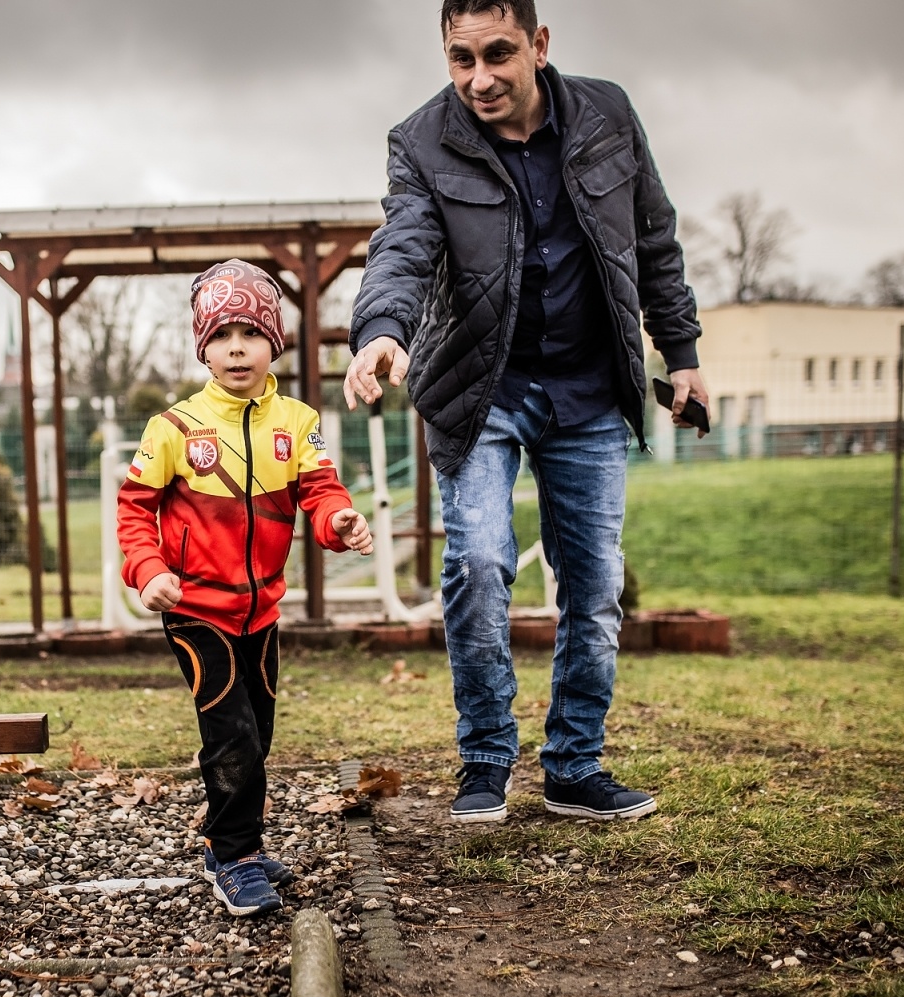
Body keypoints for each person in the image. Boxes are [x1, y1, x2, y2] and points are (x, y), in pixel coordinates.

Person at [345, 0, 709, 823]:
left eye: (498, 54)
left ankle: (576, 766)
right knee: (477, 563)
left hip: (589, 388)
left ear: (539, 45)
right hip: (481, 389)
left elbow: (653, 239)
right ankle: (484, 761)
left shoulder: (608, 114)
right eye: (460, 58)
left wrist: (681, 354)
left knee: (594, 582)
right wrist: (381, 331)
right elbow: (402, 245)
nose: (479, 78)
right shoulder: (420, 140)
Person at [118, 259, 373, 916]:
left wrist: (338, 520)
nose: (237, 347)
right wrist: (147, 571)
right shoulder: (173, 429)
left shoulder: (296, 420)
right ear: (204, 346)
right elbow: (133, 509)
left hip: (261, 610)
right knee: (230, 736)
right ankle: (233, 858)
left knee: (256, 734)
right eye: (223, 333)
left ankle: (235, 844)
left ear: (274, 344)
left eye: (251, 333)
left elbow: (320, 491)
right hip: (196, 609)